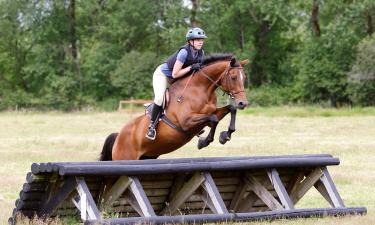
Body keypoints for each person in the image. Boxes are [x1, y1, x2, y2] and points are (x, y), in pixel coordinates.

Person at [146, 27, 207, 140]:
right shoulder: (184, 52)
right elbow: (175, 74)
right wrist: (191, 67)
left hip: (178, 77)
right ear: (190, 41)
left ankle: (193, 125)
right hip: (163, 75)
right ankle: (152, 126)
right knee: (159, 99)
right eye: (198, 39)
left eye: (202, 40)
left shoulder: (201, 52)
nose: (201, 42)